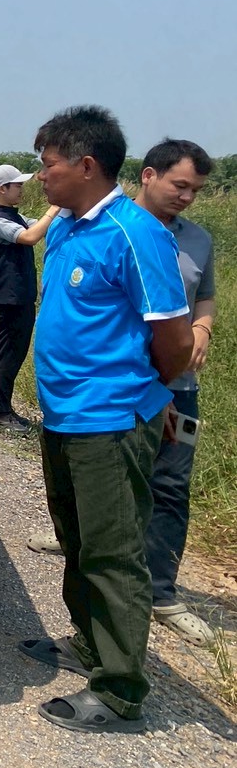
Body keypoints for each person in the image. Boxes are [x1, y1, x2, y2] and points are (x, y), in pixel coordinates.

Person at [17, 105, 191, 734]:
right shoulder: (66, 226)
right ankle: (90, 643)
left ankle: (119, 690)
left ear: (86, 165)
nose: (42, 176)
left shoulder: (135, 234)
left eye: (49, 164)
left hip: (111, 420)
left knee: (113, 552)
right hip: (64, 414)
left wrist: (150, 394)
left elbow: (174, 341)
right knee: (77, 537)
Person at [134, 140, 217, 645]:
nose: (186, 197)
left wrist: (202, 328)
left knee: (170, 484)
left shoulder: (198, 239)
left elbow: (204, 296)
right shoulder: (117, 229)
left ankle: (161, 592)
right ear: (149, 175)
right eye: (179, 185)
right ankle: (80, 550)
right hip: (127, 384)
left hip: (181, 386)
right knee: (111, 479)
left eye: (195, 191)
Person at [0, 163, 59, 435]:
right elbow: (30, 236)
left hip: (20, 296)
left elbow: (42, 226)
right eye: (18, 185)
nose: (22, 189)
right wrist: (55, 207)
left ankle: (2, 407)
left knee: (15, 353)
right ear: (2, 189)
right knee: (8, 356)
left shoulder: (14, 215)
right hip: (8, 298)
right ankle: (0, 412)